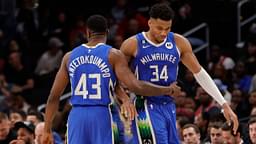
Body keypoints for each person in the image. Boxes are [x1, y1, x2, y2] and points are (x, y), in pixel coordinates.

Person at [42, 14, 181, 144]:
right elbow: (136, 86)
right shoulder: (113, 55)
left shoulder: (69, 57)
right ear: (107, 32)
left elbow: (53, 97)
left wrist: (47, 129)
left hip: (77, 116)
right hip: (101, 114)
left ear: (88, 32)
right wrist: (167, 89)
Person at [119, 3, 239, 144]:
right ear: (149, 23)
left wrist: (224, 104)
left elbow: (199, 73)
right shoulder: (132, 44)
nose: (164, 33)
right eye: (159, 28)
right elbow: (114, 74)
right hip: (145, 105)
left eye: (167, 28)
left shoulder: (178, 42)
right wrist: (124, 99)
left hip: (169, 104)